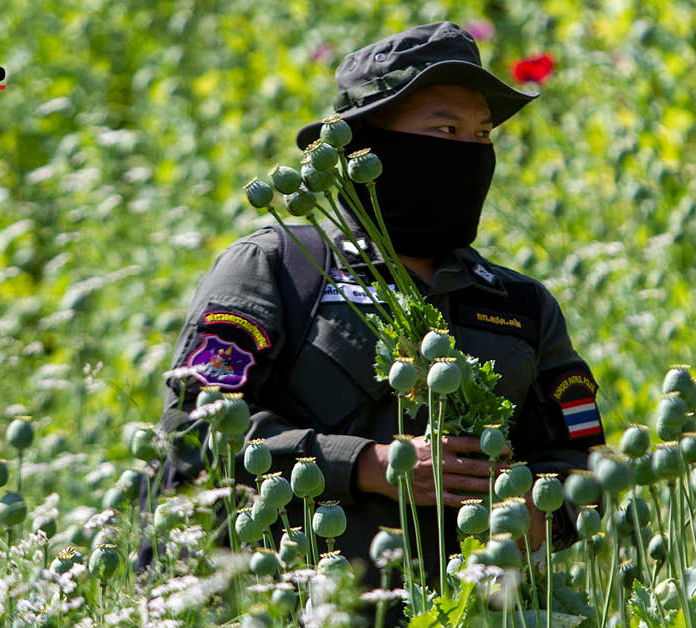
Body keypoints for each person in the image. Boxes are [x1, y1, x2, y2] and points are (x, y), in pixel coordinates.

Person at [159, 20, 606, 589]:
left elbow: (583, 462)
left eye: (482, 135)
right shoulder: (283, 265)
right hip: (283, 603)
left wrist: (533, 515)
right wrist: (368, 466)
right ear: (364, 144)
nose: (468, 153)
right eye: (445, 129)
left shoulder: (518, 304)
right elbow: (193, 429)